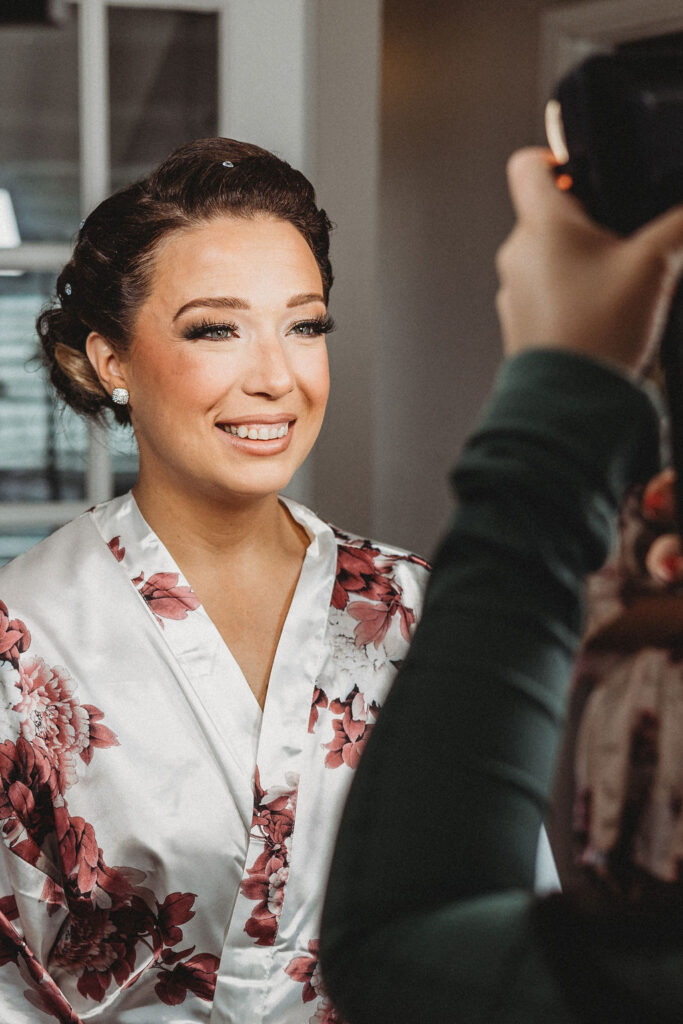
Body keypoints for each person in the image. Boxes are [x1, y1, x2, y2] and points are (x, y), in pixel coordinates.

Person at [0, 138, 431, 1022]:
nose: (276, 377)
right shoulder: (23, 638)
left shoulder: (416, 609)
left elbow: (500, 924)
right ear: (111, 362)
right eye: (215, 329)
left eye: (303, 325)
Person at [319, 147, 683, 1024]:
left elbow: (409, 941)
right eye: (211, 328)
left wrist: (561, 399)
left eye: (304, 325)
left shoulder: (405, 590)